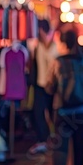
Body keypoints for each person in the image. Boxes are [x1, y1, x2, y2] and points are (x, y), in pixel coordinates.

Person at [46, 29, 83, 165]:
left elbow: (49, 87)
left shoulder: (58, 62)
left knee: (60, 149)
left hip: (63, 112)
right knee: (80, 149)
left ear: (62, 42)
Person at [28, 19, 58, 155]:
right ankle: (43, 139)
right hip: (39, 85)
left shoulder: (55, 48)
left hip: (52, 86)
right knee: (38, 112)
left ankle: (54, 139)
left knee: (53, 113)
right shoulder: (37, 46)